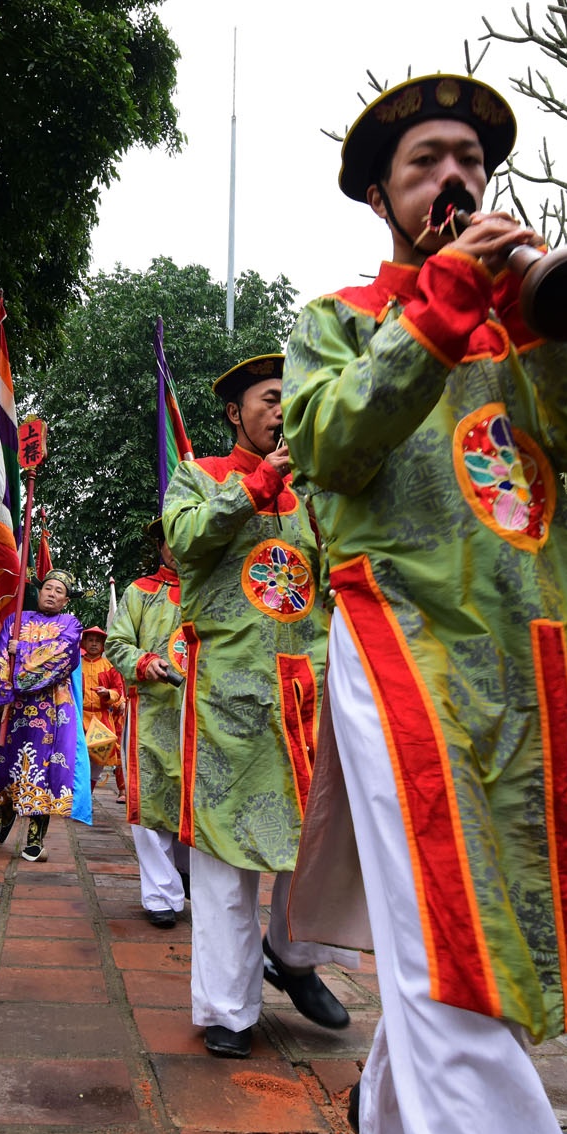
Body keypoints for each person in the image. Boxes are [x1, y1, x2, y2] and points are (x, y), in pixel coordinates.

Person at [281, 72, 567, 1134]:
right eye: (426, 160)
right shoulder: (335, 319)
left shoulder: (522, 323)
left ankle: (387, 1128)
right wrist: (431, 306)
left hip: (536, 650)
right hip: (403, 647)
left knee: (495, 909)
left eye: (469, 160)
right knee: (451, 918)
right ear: (378, 191)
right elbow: (329, 450)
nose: (455, 176)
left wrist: (543, 328)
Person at [163, 354, 353, 1059]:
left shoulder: (318, 492)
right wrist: (260, 479)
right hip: (229, 693)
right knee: (224, 856)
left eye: (292, 400)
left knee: (323, 836)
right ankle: (228, 1007)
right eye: (271, 399)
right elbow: (186, 539)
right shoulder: (199, 475)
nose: (282, 410)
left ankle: (294, 955)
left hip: (312, 687)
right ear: (235, 412)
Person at [104, 520, 190, 928]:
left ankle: (185, 875)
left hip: (206, 713)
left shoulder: (214, 588)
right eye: (169, 540)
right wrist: (143, 662)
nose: (178, 547)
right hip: (152, 713)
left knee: (197, 800)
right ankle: (160, 893)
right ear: (160, 546)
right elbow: (116, 643)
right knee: (150, 802)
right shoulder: (140, 592)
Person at [0, 570, 85, 861]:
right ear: (39, 592)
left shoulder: (71, 624)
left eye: (58, 591)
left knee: (44, 768)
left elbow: (62, 655)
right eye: (48, 588)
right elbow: (2, 656)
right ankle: (6, 811)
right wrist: (5, 690)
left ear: (65, 601)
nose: (51, 594)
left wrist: (23, 652)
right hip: (14, 706)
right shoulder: (16, 619)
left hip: (51, 708)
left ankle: (35, 838)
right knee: (5, 766)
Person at [79, 626, 126, 788]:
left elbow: (118, 691)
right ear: (84, 642)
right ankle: (75, 799)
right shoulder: (76, 665)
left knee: (97, 761)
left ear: (103, 645)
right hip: (79, 717)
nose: (93, 644)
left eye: (98, 641)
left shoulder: (109, 666)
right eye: (90, 640)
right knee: (77, 757)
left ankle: (87, 799)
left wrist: (108, 694)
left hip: (101, 719)